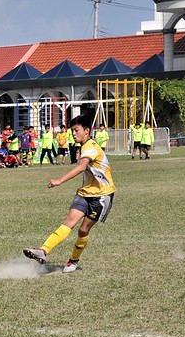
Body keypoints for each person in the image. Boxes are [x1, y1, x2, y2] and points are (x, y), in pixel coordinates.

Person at [23, 115, 116, 273]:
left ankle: (73, 260)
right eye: (72, 131)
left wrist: (60, 180)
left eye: (76, 130)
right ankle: (43, 250)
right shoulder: (84, 146)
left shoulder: (90, 146)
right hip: (85, 193)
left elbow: (81, 167)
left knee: (83, 230)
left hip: (102, 196)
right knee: (68, 222)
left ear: (87, 131)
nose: (73, 134)